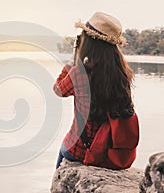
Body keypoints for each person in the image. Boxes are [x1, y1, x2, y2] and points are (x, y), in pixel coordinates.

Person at [54, 12, 135, 169]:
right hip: (110, 150)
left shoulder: (79, 72)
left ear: (88, 42)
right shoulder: (123, 73)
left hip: (81, 150)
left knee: (64, 149)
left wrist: (72, 62)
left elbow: (58, 90)